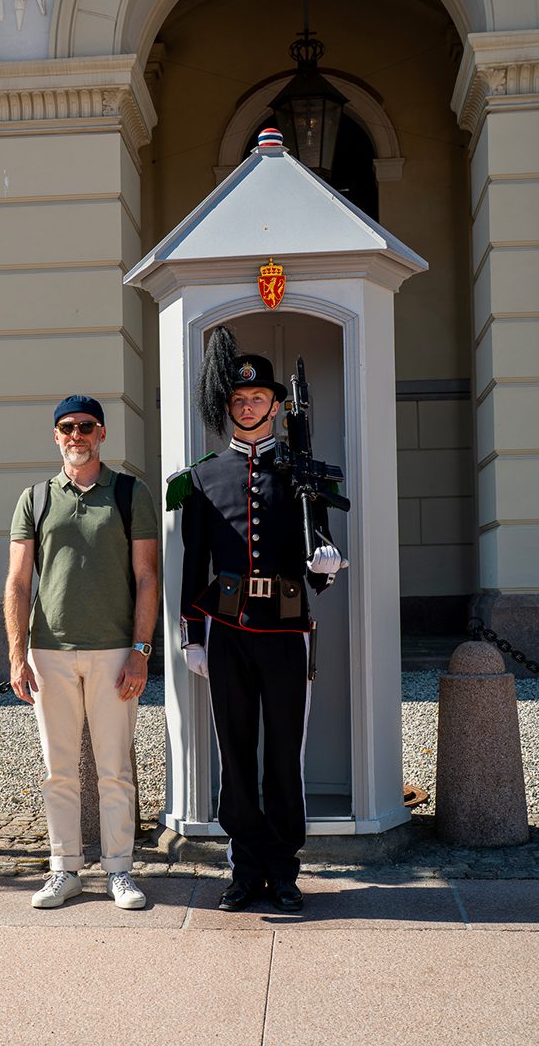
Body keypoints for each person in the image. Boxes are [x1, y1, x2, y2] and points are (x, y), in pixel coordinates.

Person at [178, 336, 345, 913]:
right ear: (228, 406)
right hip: (226, 633)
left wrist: (326, 569)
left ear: (276, 404)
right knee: (236, 752)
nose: (248, 407)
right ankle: (244, 869)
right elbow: (193, 560)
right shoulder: (203, 477)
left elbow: (319, 552)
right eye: (239, 398)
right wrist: (192, 636)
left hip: (286, 631)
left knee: (283, 757)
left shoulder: (302, 472)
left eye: (258, 397)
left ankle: (283, 868)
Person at [4, 394, 159, 910]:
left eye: (86, 426)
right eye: (67, 427)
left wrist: (141, 650)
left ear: (102, 433)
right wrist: (16, 653)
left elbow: (146, 576)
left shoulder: (130, 493)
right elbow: (19, 581)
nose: (77, 435)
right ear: (56, 435)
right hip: (50, 652)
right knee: (58, 770)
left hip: (114, 651)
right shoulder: (35, 498)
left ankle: (119, 870)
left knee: (115, 769)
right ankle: (63, 869)